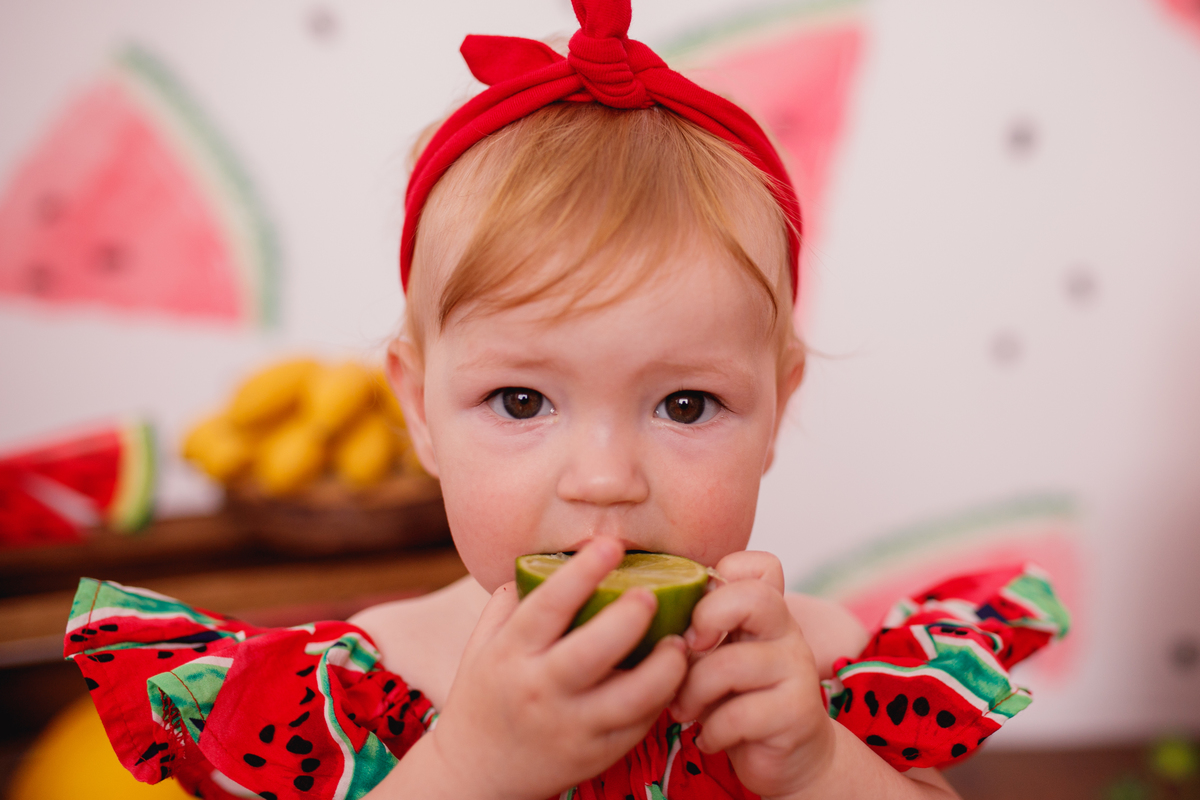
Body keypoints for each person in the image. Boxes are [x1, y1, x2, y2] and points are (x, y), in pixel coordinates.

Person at [63, 1, 1068, 798]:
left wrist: (817, 768)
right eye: (518, 399)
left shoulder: (823, 667)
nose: (603, 479)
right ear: (418, 408)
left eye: (684, 405)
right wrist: (468, 771)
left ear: (776, 407)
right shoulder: (370, 679)